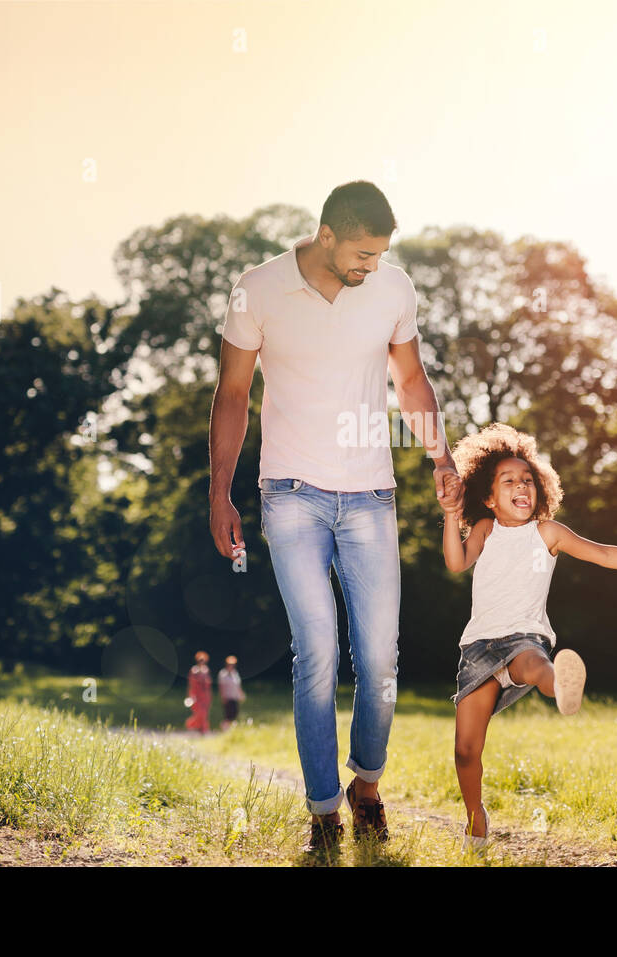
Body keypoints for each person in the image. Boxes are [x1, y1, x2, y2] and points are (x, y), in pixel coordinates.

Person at [208, 181, 463, 855]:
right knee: (316, 648)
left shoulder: (392, 289)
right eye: (361, 252)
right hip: (289, 494)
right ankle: (323, 808)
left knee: (379, 654)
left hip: (370, 497)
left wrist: (440, 453)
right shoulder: (257, 289)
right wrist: (219, 490)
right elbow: (232, 392)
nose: (371, 265)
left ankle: (367, 784)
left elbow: (410, 381)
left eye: (380, 254)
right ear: (326, 235)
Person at [441, 423, 617, 852]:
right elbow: (457, 563)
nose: (521, 486)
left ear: (540, 490)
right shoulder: (484, 529)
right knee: (465, 750)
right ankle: (475, 817)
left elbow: (602, 553)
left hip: (523, 637)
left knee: (533, 664)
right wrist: (448, 515)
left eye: (528, 480)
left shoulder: (546, 532)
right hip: (478, 647)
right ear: (487, 497)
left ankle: (561, 686)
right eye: (509, 481)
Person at [184, 651, 212, 735]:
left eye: (203, 660)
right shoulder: (194, 670)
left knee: (205, 713)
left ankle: (203, 729)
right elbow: (191, 684)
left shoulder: (206, 670)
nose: (202, 662)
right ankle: (190, 724)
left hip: (205, 695)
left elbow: (208, 685)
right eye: (200, 660)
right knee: (199, 713)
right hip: (196, 695)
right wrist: (190, 696)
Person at [217, 655, 245, 730]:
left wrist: (241, 694)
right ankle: (224, 728)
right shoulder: (223, 674)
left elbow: (238, 685)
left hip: (234, 697)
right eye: (230, 664)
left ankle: (230, 729)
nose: (231, 666)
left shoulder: (235, 673)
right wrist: (223, 697)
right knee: (228, 715)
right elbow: (221, 687)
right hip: (227, 697)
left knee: (235, 714)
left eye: (233, 664)